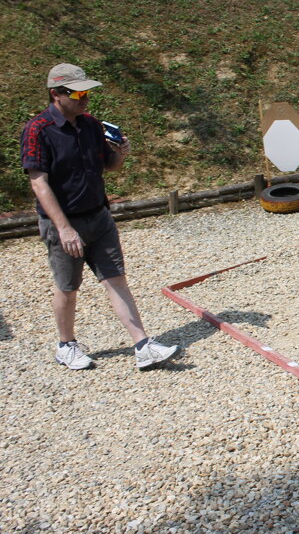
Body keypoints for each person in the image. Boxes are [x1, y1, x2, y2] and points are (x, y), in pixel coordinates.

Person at [20, 63, 180, 370]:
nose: (85, 98)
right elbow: (38, 183)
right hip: (64, 222)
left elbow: (109, 165)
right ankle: (66, 345)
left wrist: (121, 153)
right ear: (56, 94)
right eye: (78, 93)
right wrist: (64, 227)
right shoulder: (38, 129)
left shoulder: (91, 125)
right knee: (68, 287)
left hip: (99, 216)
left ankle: (143, 345)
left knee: (116, 280)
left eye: (87, 92)